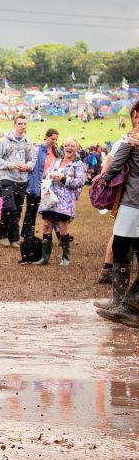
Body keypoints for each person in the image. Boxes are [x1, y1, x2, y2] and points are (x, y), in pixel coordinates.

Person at [96, 103, 139, 324]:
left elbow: (114, 167)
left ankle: (127, 304)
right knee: (123, 249)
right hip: (132, 204)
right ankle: (120, 302)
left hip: (133, 204)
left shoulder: (132, 140)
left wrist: (100, 181)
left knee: (121, 248)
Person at [31, 137, 85, 266]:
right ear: (63, 147)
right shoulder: (56, 161)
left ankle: (65, 258)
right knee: (46, 226)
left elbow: (80, 182)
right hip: (50, 199)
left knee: (62, 227)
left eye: (72, 145)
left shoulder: (78, 164)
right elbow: (46, 174)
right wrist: (49, 176)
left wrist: (63, 178)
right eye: (66, 145)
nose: (69, 147)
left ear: (76, 148)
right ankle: (45, 258)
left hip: (65, 201)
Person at [0, 114, 36, 248]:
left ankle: (14, 238)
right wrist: (9, 165)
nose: (22, 126)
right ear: (14, 125)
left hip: (22, 180)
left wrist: (27, 166)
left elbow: (32, 160)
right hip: (7, 178)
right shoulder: (4, 141)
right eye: (20, 123)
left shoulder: (28, 142)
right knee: (9, 206)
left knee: (17, 209)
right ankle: (3, 235)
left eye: (24, 124)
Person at [22, 128, 59, 240]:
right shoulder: (37, 150)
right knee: (31, 211)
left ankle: (60, 235)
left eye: (56, 139)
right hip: (36, 184)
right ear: (46, 137)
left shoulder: (57, 152)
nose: (54, 141)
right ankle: (28, 236)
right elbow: (30, 166)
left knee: (53, 211)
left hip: (50, 186)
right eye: (52, 139)